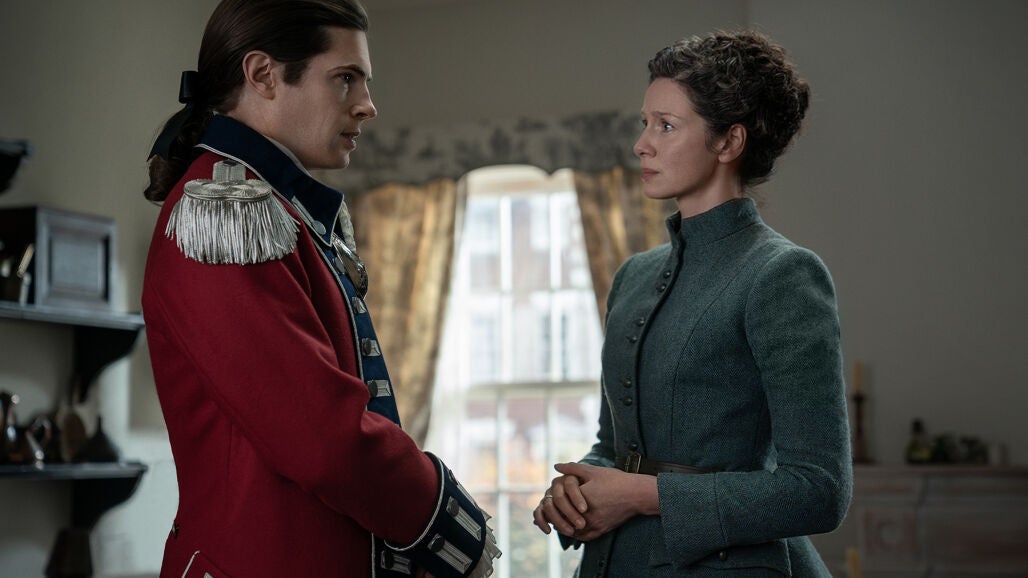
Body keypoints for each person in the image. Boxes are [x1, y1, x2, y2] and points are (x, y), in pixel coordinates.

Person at [141, 1, 499, 577]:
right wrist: (446, 522)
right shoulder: (226, 210)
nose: (367, 104)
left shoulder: (278, 207)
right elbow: (321, 437)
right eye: (345, 78)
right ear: (263, 75)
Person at [533, 31, 852, 576]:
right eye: (645, 123)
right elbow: (615, 446)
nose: (642, 144)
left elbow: (819, 490)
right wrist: (578, 488)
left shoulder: (782, 274)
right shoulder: (634, 276)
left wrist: (639, 495)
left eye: (666, 125)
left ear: (729, 143)